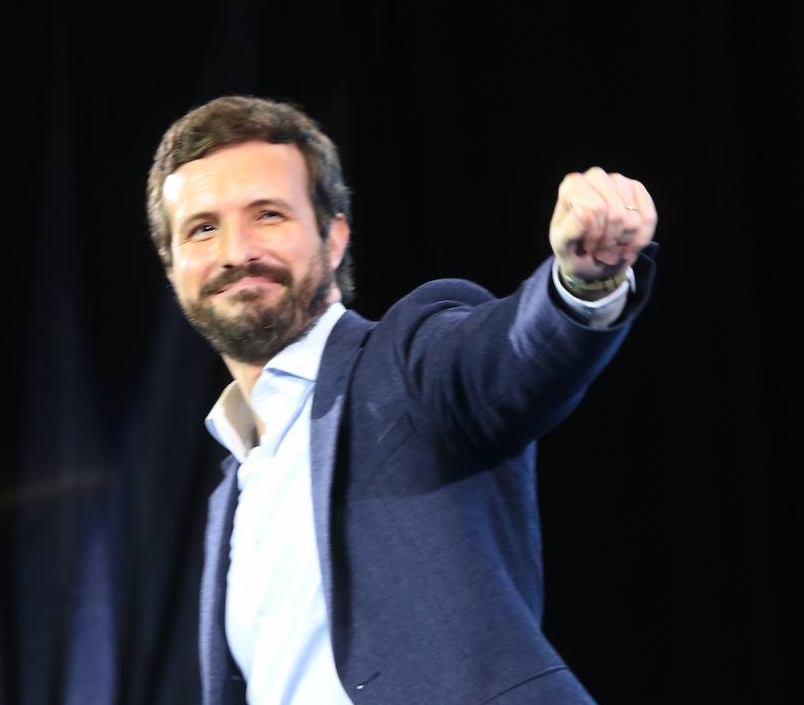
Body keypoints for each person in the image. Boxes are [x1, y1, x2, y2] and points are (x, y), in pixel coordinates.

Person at [145, 95, 657, 705]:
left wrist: (582, 281)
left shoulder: (409, 363)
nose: (237, 252)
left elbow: (512, 357)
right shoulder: (232, 489)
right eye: (203, 228)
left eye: (268, 215)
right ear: (173, 266)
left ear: (334, 237)